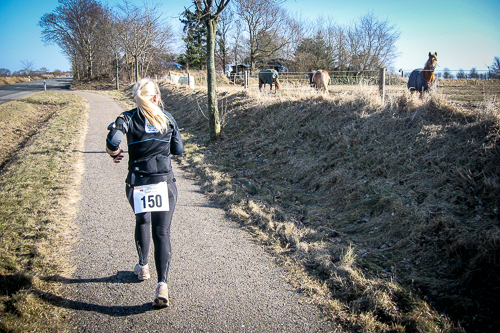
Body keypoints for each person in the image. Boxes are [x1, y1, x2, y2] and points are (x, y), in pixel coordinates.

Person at [106, 78, 183, 308]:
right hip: (164, 182)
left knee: (142, 221)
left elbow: (113, 140)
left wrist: (114, 153)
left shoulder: (126, 117)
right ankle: (163, 285)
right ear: (156, 97)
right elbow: (177, 150)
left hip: (138, 181)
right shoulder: (167, 118)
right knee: (162, 232)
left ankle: (143, 267)